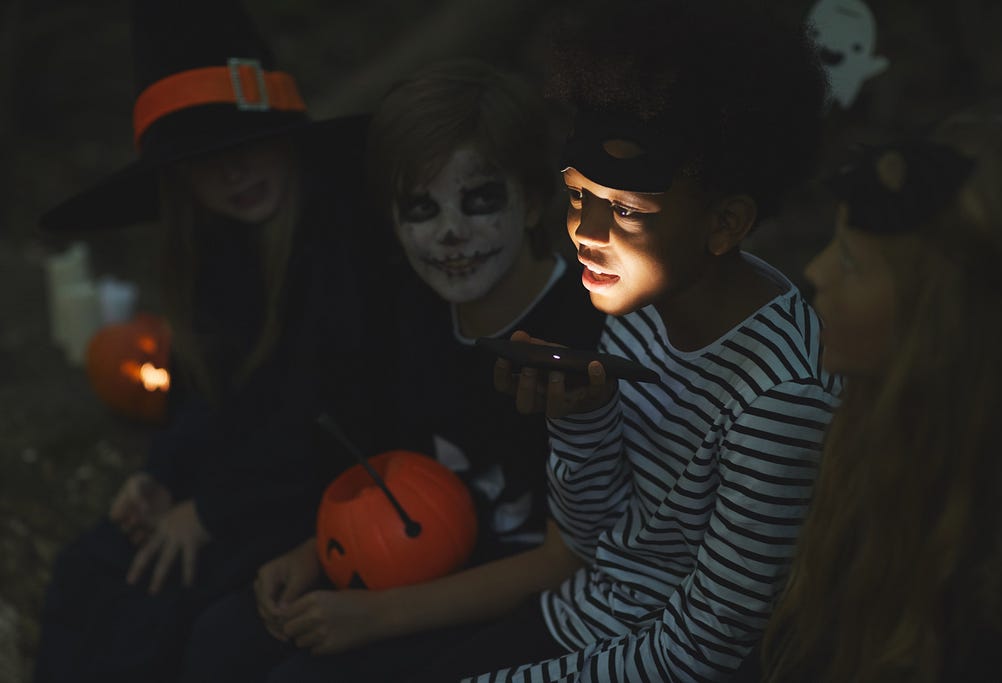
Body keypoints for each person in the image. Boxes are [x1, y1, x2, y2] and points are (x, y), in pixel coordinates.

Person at [192, 1, 839, 680]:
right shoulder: (640, 297)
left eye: (623, 210)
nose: (585, 229)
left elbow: (707, 643)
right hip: (579, 614)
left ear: (726, 221)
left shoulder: (780, 397)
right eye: (580, 194)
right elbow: (598, 538)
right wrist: (581, 420)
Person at [179, 58, 605, 682]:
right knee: (223, 638)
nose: (452, 233)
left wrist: (374, 616)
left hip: (536, 610)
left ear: (534, 202)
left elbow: (566, 559)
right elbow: (401, 469)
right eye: (422, 209)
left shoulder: (581, 338)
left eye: (480, 200)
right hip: (417, 561)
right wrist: (320, 553)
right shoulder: (411, 312)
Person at [32, 1, 393, 681]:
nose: (234, 173)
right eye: (207, 159)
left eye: (247, 144)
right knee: (88, 572)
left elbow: (343, 406)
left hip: (318, 497)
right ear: (179, 178)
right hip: (236, 483)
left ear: (285, 135)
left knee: (168, 619)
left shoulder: (345, 242)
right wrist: (159, 476)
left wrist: (212, 511)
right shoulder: (215, 252)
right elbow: (207, 396)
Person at [732, 112, 1002, 683]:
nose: (815, 271)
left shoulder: (998, 579)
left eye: (851, 262)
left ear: (937, 319)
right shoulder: (868, 439)